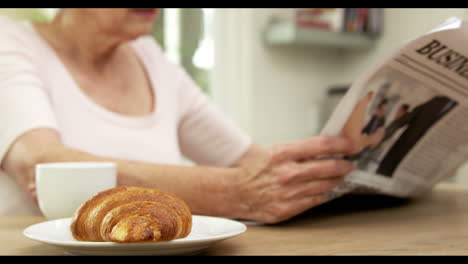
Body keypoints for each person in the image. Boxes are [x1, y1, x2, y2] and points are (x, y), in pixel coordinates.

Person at [0, 9, 356, 223]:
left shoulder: (150, 58)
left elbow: (251, 162)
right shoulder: (10, 43)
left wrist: (336, 172)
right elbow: (42, 164)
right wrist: (234, 193)